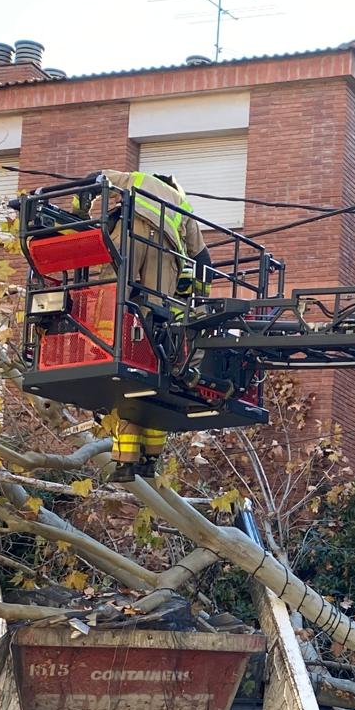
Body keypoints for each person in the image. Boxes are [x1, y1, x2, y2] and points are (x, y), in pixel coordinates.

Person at [93, 170, 213, 479]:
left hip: (129, 236)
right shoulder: (182, 204)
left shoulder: (135, 178)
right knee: (155, 310)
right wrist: (203, 296)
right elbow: (202, 256)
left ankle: (102, 345)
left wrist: (80, 207)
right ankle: (147, 463)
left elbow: (98, 177)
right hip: (165, 254)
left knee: (111, 294)